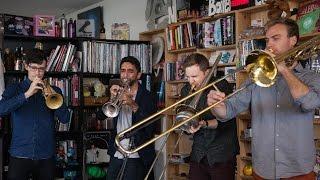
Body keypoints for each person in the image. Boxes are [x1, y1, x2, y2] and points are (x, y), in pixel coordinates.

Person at [207, 18, 320, 179]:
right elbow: (228, 111)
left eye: (276, 38)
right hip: (263, 169)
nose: (269, 45)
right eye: (267, 40)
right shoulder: (255, 78)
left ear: (293, 40)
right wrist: (216, 104)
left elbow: (310, 103)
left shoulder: (311, 77)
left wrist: (285, 71)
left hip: (298, 170)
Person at [0, 48, 70, 180]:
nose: (38, 73)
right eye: (34, 68)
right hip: (20, 154)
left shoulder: (54, 90)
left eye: (42, 69)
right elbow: (1, 109)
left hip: (46, 155)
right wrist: (26, 95)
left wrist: (54, 98)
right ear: (26, 66)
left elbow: (65, 118)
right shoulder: (15, 88)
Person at [180, 53, 239, 180]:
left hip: (221, 153)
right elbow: (183, 119)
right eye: (188, 76)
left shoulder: (221, 86)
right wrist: (187, 127)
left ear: (206, 73)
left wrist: (203, 124)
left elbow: (227, 121)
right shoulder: (185, 91)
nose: (190, 81)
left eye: (194, 76)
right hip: (198, 153)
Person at [101, 56, 156, 180]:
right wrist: (111, 99)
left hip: (136, 153)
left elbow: (150, 127)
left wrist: (133, 104)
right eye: (123, 70)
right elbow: (101, 116)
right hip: (117, 151)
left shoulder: (148, 97)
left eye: (130, 71)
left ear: (138, 75)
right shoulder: (117, 93)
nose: (125, 75)